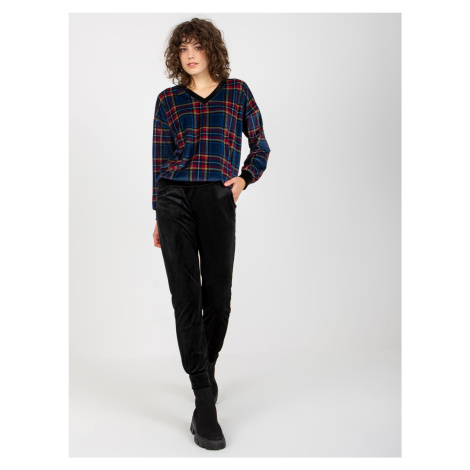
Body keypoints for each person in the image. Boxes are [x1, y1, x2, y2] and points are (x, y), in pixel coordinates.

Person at [152, 18, 270, 450]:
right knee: (185, 296)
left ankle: (206, 368)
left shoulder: (237, 92)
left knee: (218, 297)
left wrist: (243, 180)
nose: (190, 54)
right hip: (173, 199)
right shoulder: (168, 100)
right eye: (182, 48)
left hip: (216, 199)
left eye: (197, 46)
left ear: (211, 49)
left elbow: (261, 146)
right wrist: (158, 214)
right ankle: (204, 398)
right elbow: (159, 161)